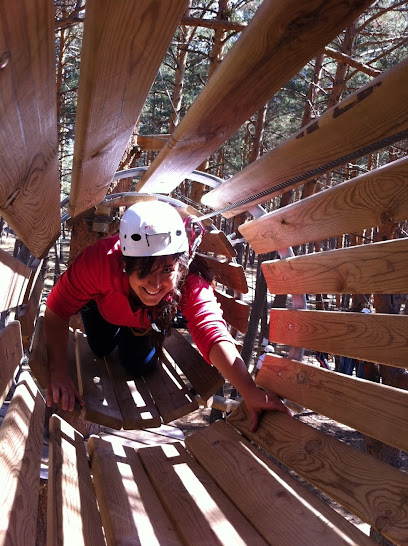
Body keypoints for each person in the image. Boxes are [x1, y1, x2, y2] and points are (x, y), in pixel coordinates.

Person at [45, 200, 290, 431]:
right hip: (104, 309)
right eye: (144, 271)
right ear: (125, 264)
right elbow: (58, 307)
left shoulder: (188, 278)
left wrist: (249, 391)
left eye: (166, 270)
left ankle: (132, 334)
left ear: (179, 265)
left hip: (142, 323)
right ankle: (112, 333)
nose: (156, 284)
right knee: (99, 347)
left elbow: (211, 329)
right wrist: (58, 372)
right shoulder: (100, 262)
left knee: (138, 365)